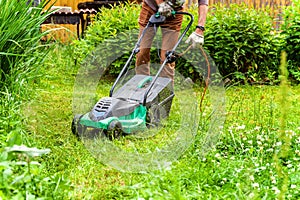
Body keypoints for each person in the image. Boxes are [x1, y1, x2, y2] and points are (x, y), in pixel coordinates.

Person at [135, 0, 209, 81]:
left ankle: (166, 91)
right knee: (142, 52)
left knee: (167, 57)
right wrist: (160, 3)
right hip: (150, 8)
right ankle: (141, 87)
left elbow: (203, 2)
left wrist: (200, 29)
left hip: (174, 12)